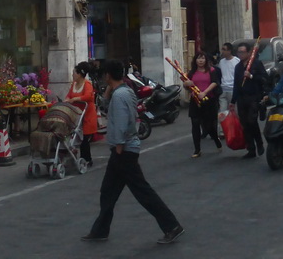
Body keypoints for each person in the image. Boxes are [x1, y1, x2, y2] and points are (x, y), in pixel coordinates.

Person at [81, 59, 184, 245]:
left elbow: (121, 123)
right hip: (123, 150)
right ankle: (100, 230)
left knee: (142, 192)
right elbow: (105, 106)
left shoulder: (120, 96)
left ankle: (172, 226)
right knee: (108, 192)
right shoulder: (124, 91)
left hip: (124, 150)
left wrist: (119, 147)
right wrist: (108, 90)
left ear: (107, 75)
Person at [229, 41, 267, 159]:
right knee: (244, 124)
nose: (240, 54)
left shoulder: (256, 64)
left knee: (252, 121)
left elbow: (264, 79)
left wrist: (251, 76)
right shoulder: (238, 67)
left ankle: (259, 143)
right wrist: (233, 101)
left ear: (249, 52)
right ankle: (250, 148)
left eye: (242, 52)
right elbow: (236, 85)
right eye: (238, 52)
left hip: (254, 96)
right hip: (242, 98)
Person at [182, 51, 221, 157]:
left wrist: (204, 92)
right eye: (198, 58)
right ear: (195, 60)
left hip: (209, 100)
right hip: (195, 101)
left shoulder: (211, 70)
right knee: (195, 124)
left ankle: (216, 140)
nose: (200, 60)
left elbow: (215, 82)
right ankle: (197, 149)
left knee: (208, 126)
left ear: (206, 60)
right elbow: (187, 86)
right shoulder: (191, 72)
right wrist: (186, 84)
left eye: (203, 58)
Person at [65, 61, 98, 165]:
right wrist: (66, 100)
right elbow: (69, 95)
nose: (72, 75)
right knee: (75, 137)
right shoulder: (74, 84)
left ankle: (87, 159)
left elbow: (88, 96)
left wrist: (75, 99)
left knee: (84, 139)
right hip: (77, 115)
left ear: (79, 74)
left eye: (74, 73)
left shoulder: (87, 84)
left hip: (87, 115)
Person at [216, 42, 240, 115]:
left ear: (229, 51)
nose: (222, 51)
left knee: (234, 112)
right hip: (223, 89)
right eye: (222, 49)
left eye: (224, 49)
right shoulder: (221, 62)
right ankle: (222, 126)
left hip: (232, 90)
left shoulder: (237, 61)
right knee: (222, 112)